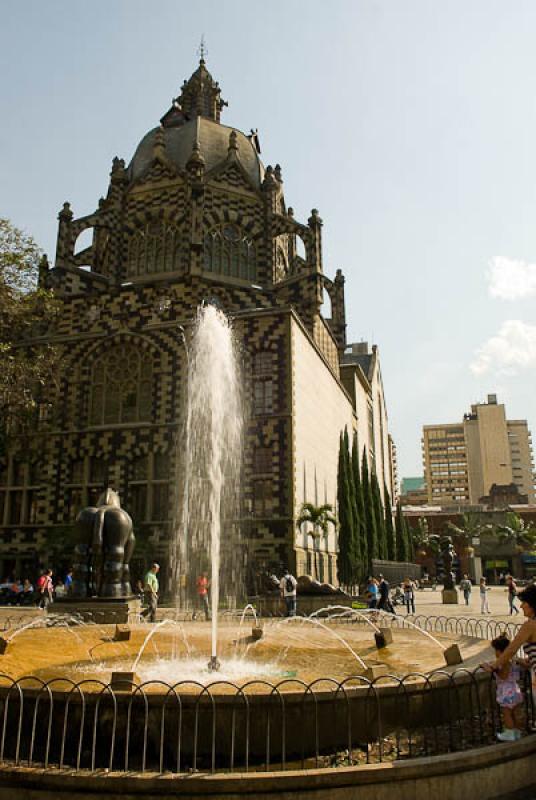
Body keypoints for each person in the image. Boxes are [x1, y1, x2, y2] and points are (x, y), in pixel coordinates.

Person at [483, 634, 524, 741]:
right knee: (515, 712)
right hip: (515, 689)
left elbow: (503, 676)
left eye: (496, 651)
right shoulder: (513, 661)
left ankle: (510, 733)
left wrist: (490, 668)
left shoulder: (504, 663)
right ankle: (517, 732)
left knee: (507, 714)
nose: (495, 653)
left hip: (506, 691)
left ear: (501, 652)